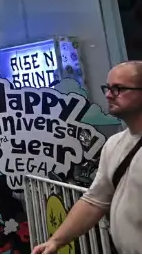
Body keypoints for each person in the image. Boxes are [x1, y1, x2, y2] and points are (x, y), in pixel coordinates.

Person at [33, 61, 142, 253]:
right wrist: (56, 240)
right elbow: (94, 201)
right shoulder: (114, 144)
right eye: (107, 88)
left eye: (118, 89)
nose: (109, 95)